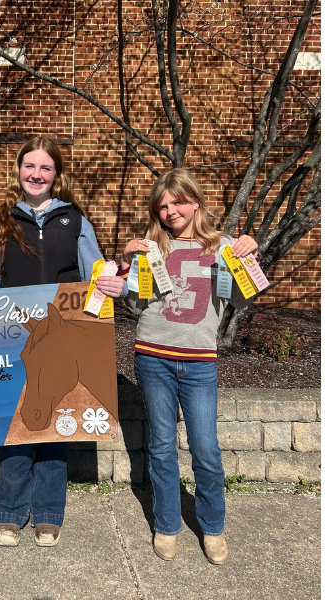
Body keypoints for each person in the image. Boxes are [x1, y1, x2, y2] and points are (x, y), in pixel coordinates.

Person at [0, 136, 126, 547]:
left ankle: (50, 512)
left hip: (63, 334)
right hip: (15, 336)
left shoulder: (75, 219)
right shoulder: (0, 222)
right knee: (16, 425)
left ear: (57, 175)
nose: (36, 174)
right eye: (29, 166)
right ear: (18, 171)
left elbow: (94, 277)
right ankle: (10, 512)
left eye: (45, 168)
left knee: (57, 427)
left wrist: (112, 286)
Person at [121, 168, 258, 565]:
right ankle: (167, 524)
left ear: (195, 201)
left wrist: (248, 259)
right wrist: (128, 266)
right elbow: (134, 306)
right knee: (162, 447)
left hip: (199, 363)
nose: (169, 211)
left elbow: (242, 302)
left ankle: (213, 527)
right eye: (162, 206)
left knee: (206, 450)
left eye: (177, 201)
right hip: (153, 358)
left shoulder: (224, 246)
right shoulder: (151, 248)